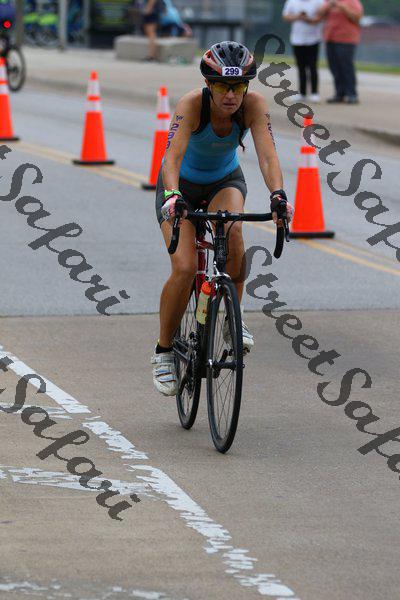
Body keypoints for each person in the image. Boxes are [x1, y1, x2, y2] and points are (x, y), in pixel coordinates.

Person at [151, 41, 293, 396]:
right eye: (222, 86)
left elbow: (268, 156)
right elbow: (172, 158)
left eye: (238, 86)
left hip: (223, 181)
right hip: (180, 186)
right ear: (208, 85)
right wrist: (172, 195)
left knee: (233, 231)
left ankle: (233, 318)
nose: (231, 95)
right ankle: (164, 350)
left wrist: (278, 195)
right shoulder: (191, 105)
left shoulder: (253, 105)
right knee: (185, 268)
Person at [318, 0, 364, 104]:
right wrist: (328, 6)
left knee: (346, 67)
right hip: (330, 37)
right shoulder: (328, 1)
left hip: (346, 39)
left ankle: (352, 94)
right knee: (334, 67)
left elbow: (357, 17)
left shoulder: (352, 2)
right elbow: (319, 15)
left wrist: (343, 7)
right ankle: (339, 93)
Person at [282, 0, 325, 103]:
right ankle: (302, 93)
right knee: (301, 67)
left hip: (313, 39)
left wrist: (307, 19)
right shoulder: (292, 1)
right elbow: (285, 17)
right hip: (297, 39)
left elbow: (321, 17)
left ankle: (314, 93)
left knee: (312, 66)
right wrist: (298, 17)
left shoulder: (319, 2)